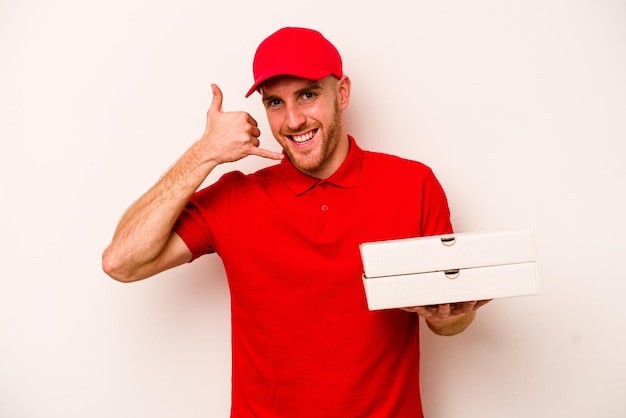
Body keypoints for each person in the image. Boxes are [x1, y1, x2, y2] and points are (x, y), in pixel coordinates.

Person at [102, 26, 490, 418]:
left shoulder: (412, 185)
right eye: (275, 102)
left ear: (341, 93)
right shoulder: (234, 197)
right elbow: (122, 262)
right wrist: (204, 154)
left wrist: (450, 316)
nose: (293, 120)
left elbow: (448, 322)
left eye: (307, 95)